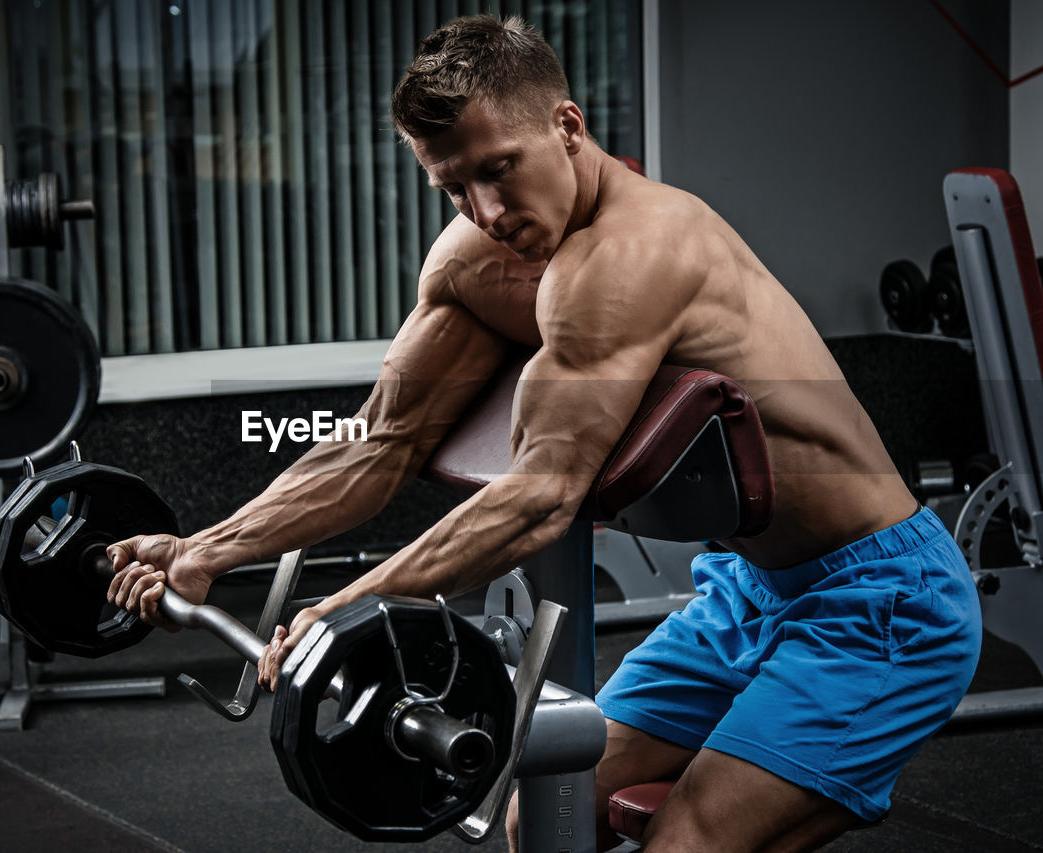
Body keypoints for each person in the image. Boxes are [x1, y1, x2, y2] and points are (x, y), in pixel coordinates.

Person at [106, 15, 981, 852]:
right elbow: (379, 444)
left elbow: (538, 499)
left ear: (568, 125)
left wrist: (346, 608)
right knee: (552, 812)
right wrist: (209, 549)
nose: (485, 209)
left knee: (691, 840)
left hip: (880, 603)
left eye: (499, 168)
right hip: (747, 590)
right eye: (452, 185)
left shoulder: (635, 255)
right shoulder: (476, 260)